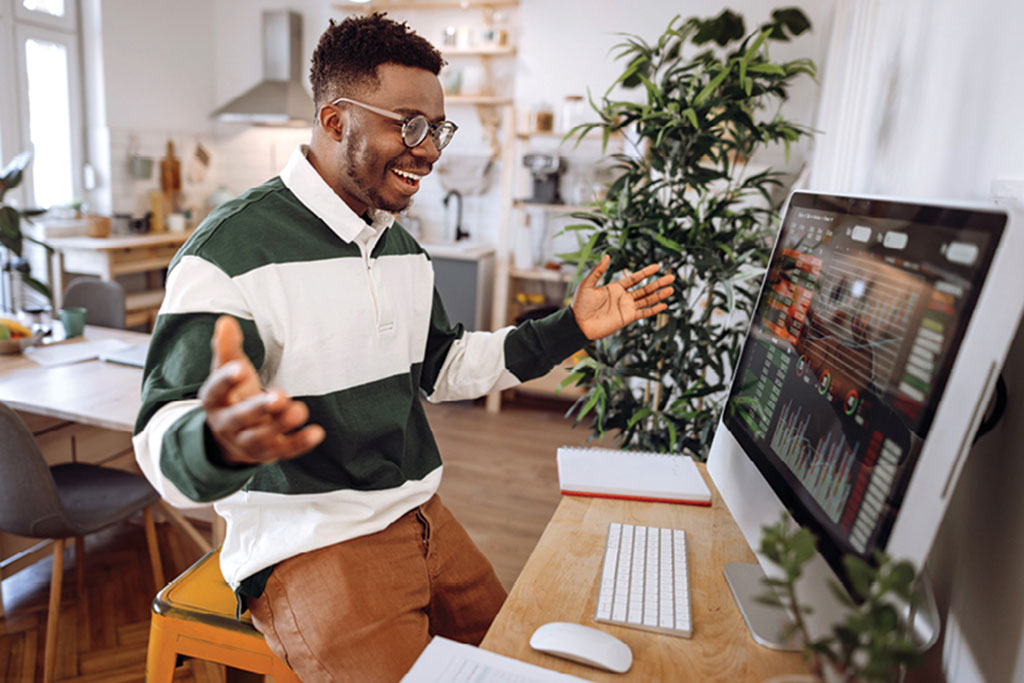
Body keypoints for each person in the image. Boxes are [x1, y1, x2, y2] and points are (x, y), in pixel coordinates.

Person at [134, 13, 674, 682]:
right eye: (407, 124)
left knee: (519, 666)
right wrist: (216, 442)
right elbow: (160, 432)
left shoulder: (400, 247)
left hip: (419, 516)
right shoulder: (232, 253)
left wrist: (570, 328)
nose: (428, 149)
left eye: (437, 129)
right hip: (311, 543)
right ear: (336, 122)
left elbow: (444, 365)